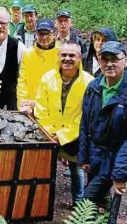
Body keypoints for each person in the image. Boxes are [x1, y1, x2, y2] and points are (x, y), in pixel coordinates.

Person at [78, 41, 127, 214]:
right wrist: (84, 156)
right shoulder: (94, 87)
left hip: (115, 159)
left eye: (114, 59)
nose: (109, 63)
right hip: (94, 156)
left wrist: (120, 173)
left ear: (125, 61)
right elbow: (85, 123)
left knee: (84, 205)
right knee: (98, 206)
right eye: (104, 59)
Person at [34, 41, 94, 207]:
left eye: (72, 55)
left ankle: (78, 205)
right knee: (45, 171)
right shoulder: (47, 78)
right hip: (49, 134)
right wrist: (50, 132)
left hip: (75, 135)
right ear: (58, 56)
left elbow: (86, 115)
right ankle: (42, 205)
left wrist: (63, 135)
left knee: (77, 171)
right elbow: (41, 108)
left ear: (80, 58)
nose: (67, 58)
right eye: (64, 55)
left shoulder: (89, 82)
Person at [17, 18, 60, 114]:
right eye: (41, 34)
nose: (44, 37)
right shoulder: (28, 54)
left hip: (53, 110)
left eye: (47, 33)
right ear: (35, 35)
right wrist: (22, 104)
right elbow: (22, 82)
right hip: (29, 109)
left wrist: (41, 104)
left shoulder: (61, 54)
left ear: (54, 34)